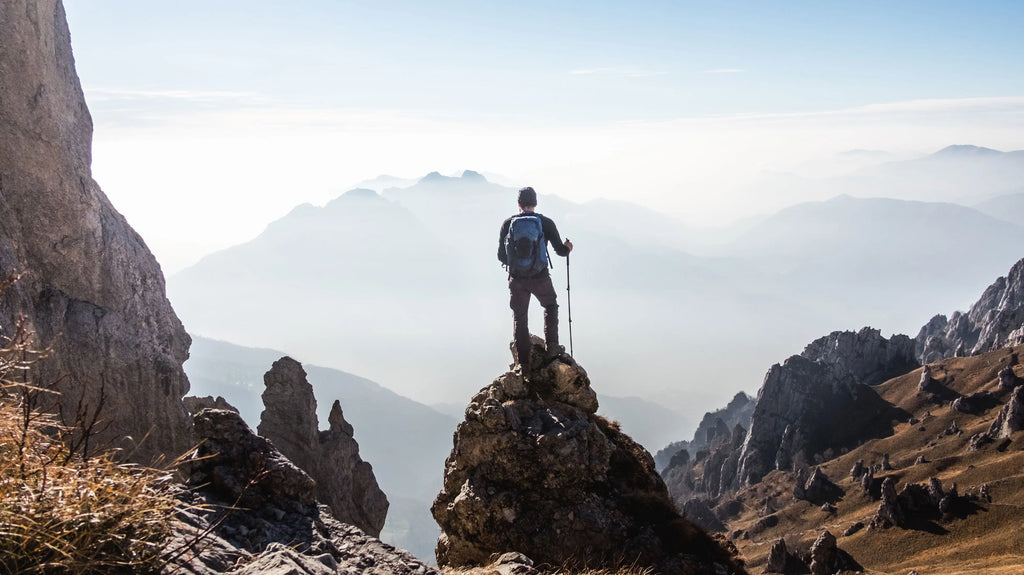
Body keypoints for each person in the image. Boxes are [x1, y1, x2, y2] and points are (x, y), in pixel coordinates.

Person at [497, 186, 573, 369]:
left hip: (517, 280)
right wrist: (568, 247)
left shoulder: (508, 224)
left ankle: (523, 364)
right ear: (535, 203)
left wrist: (517, 262)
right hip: (540, 277)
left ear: (519, 204)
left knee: (520, 317)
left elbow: (501, 256)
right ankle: (552, 348)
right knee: (550, 305)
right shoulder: (545, 223)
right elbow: (560, 251)